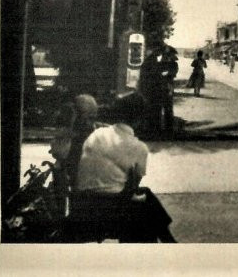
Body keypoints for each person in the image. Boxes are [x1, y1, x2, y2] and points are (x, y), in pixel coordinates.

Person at [71, 93, 176, 242]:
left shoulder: (96, 134)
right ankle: (167, 241)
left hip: (84, 204)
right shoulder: (139, 147)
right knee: (144, 212)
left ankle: (168, 239)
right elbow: (132, 186)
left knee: (146, 196)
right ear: (139, 120)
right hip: (109, 212)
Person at [50, 94, 101, 196]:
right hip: (74, 178)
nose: (90, 121)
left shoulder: (96, 132)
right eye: (89, 117)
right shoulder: (68, 133)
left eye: (92, 117)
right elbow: (58, 152)